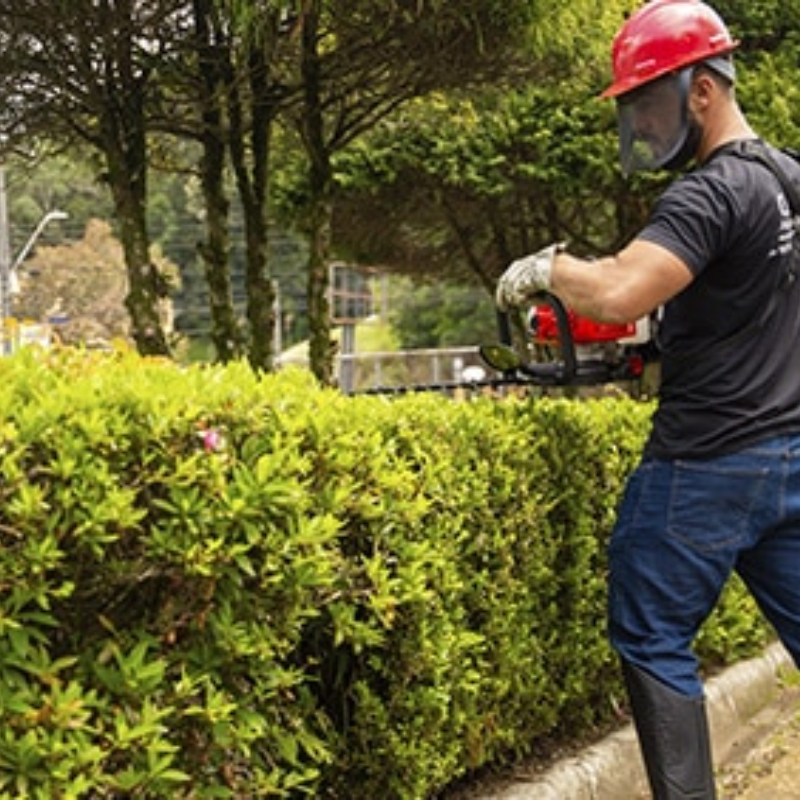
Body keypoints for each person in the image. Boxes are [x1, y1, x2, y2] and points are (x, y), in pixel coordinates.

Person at [495, 1, 800, 798]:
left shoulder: (710, 194)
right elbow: (748, 303)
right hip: (789, 458)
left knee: (651, 630)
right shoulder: (790, 180)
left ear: (704, 89)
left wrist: (550, 269)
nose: (642, 122)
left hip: (704, 464)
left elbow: (623, 289)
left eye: (651, 101)